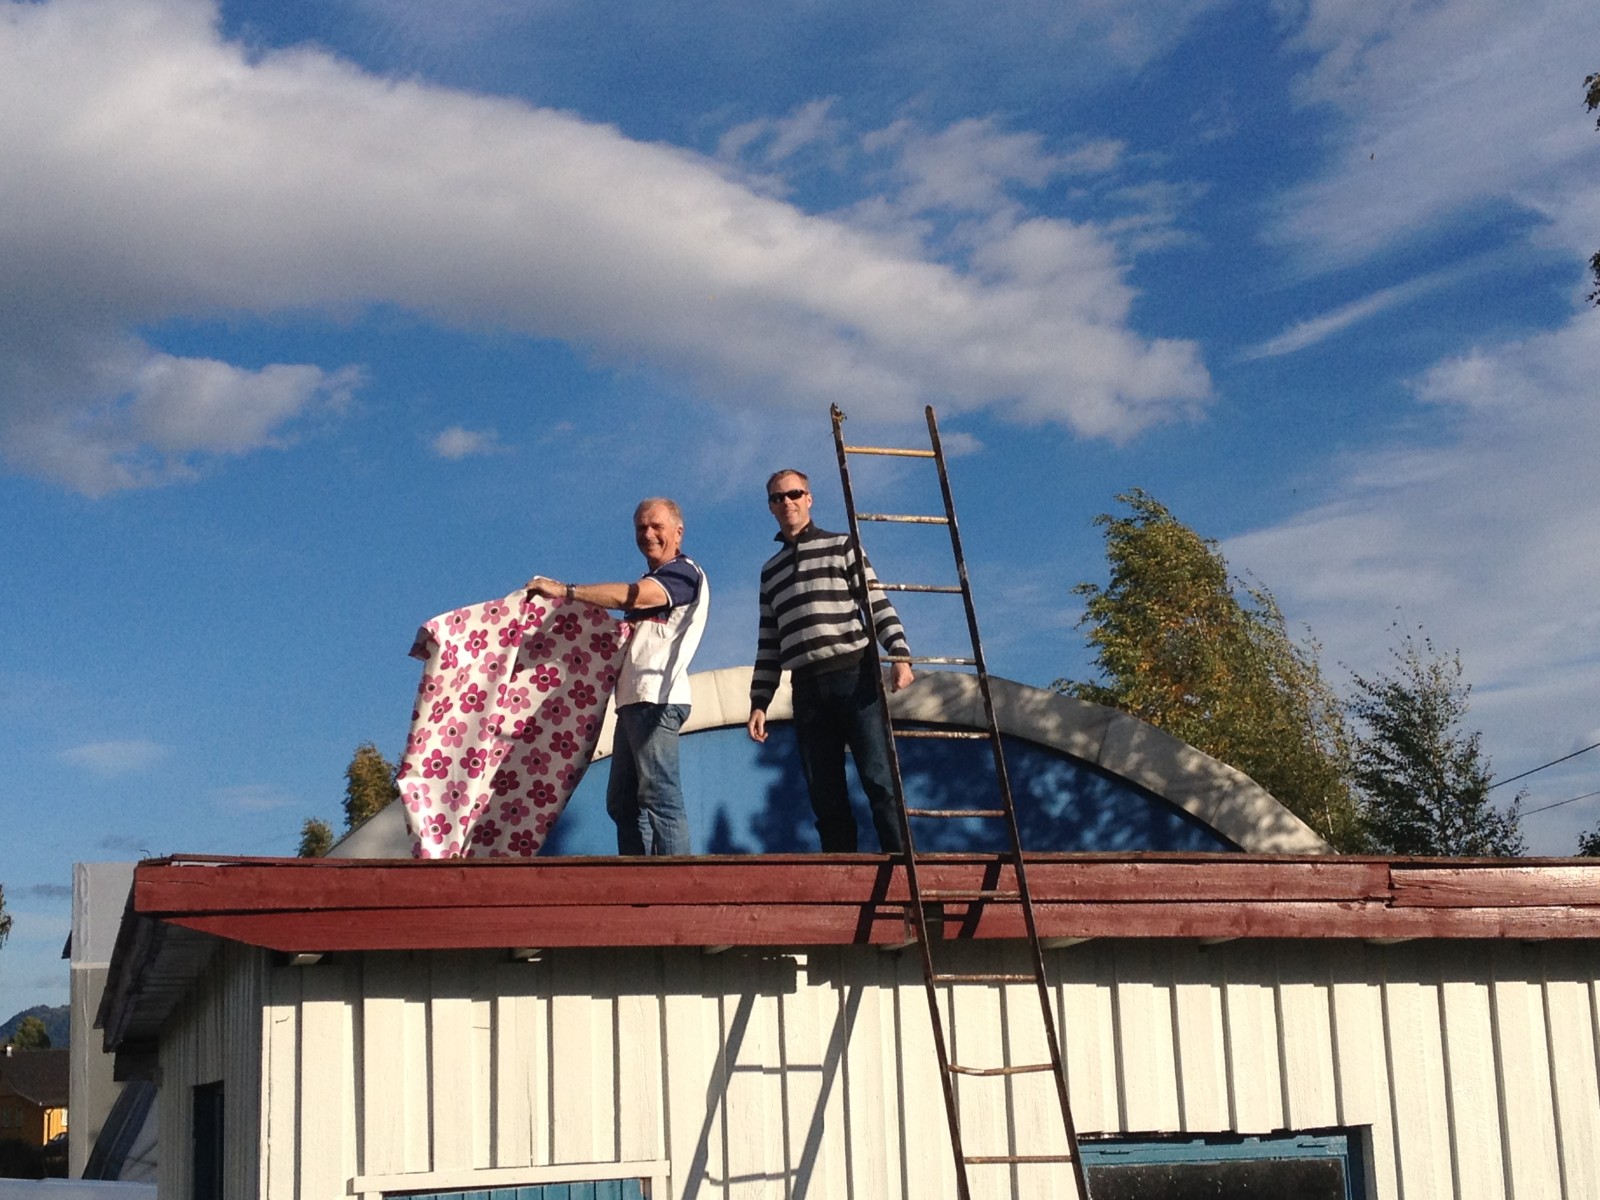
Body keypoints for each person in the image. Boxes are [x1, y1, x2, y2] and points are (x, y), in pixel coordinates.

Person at [528, 498, 709, 855]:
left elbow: (634, 598)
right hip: (632, 701)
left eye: (656, 526)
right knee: (623, 802)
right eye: (641, 527)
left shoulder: (683, 573)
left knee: (659, 796)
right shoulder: (655, 579)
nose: (648, 534)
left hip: (656, 697)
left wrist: (566, 591)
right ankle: (639, 873)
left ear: (678, 532)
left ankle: (677, 879)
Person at [747, 469, 913, 852]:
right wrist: (759, 702)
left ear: (809, 498)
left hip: (854, 675)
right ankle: (843, 870)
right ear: (770, 507)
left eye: (794, 494)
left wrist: (899, 655)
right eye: (777, 498)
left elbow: (876, 602)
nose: (787, 502)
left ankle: (903, 861)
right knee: (824, 791)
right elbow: (769, 641)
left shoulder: (842, 545)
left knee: (879, 778)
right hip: (806, 687)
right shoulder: (770, 573)